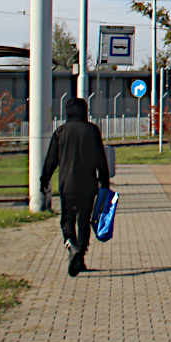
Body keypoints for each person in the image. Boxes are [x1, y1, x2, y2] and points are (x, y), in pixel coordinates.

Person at [41, 97, 112, 277]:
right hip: (88, 185)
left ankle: (71, 245)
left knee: (67, 219)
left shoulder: (61, 132)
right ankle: (80, 254)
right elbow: (100, 158)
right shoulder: (91, 131)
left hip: (67, 185)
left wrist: (44, 180)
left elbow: (51, 159)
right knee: (84, 221)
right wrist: (104, 181)